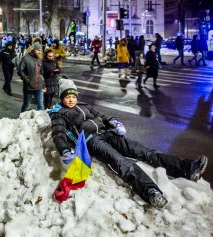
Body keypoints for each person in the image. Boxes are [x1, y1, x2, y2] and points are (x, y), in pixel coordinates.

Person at [49, 77, 208, 209]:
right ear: (62, 97)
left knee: (144, 151)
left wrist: (114, 123)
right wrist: (64, 150)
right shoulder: (60, 114)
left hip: (108, 133)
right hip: (92, 140)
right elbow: (58, 134)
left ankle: (187, 168)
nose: (71, 99)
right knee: (120, 162)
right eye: (67, 97)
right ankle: (151, 192)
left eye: (73, 96)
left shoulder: (84, 106)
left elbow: (103, 117)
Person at [18, 42, 44, 112]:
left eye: (41, 50)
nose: (40, 52)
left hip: (39, 87)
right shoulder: (26, 58)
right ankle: (21, 118)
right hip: (28, 87)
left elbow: (41, 72)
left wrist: (43, 83)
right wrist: (27, 80)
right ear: (34, 50)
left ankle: (43, 119)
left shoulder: (39, 59)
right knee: (26, 104)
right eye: (38, 50)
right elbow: (20, 71)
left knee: (40, 105)